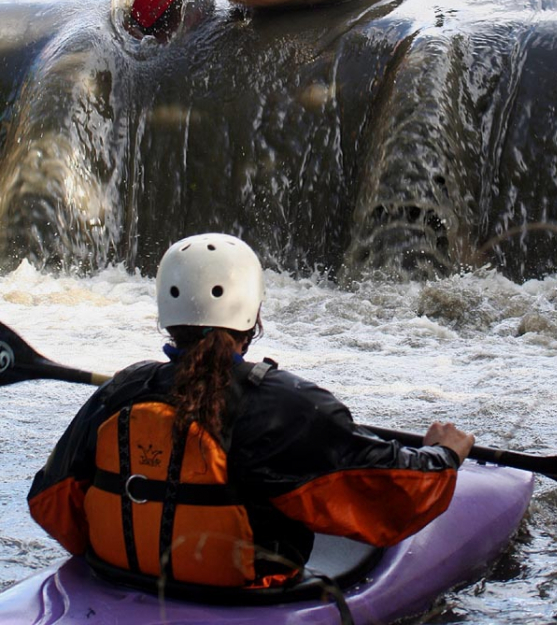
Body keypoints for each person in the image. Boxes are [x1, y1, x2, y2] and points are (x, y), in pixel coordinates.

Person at [27, 233, 473, 592]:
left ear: (167, 313)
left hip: (122, 580)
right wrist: (443, 458)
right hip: (248, 594)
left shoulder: (122, 390)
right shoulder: (288, 407)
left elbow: (49, 502)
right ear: (253, 314)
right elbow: (392, 498)